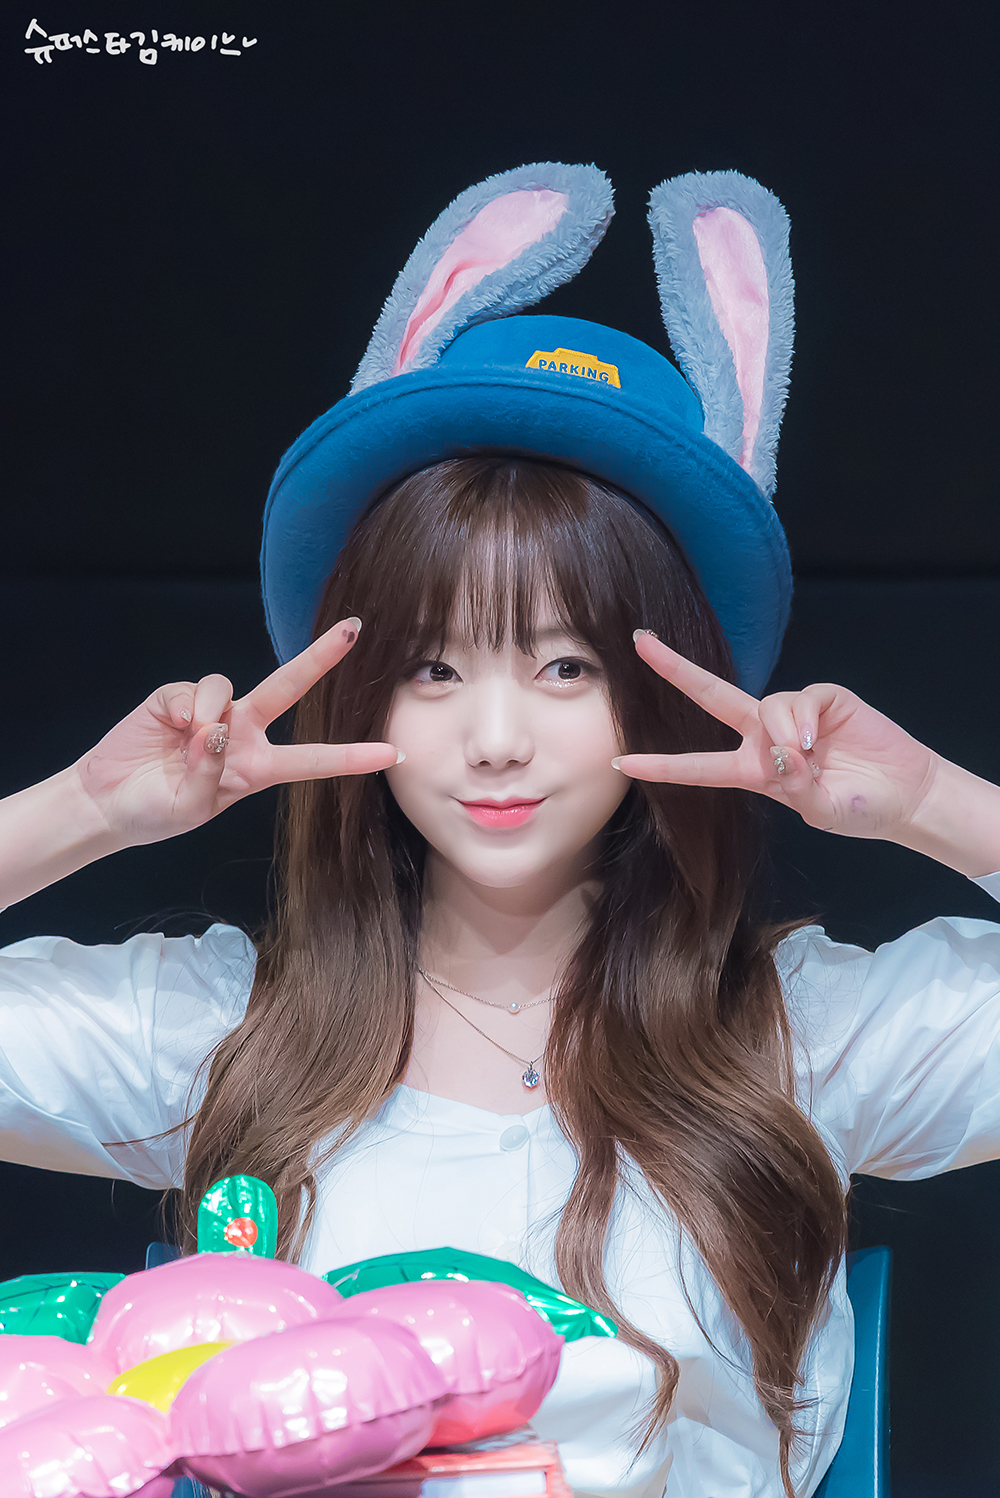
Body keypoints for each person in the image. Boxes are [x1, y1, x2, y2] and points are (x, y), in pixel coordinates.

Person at [2, 164, 1000, 1498]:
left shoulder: (803, 1036)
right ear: (363, 692)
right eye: (433, 668)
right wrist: (83, 812)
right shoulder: (227, 1033)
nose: (494, 737)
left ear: (665, 687)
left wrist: (939, 807)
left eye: (566, 667)